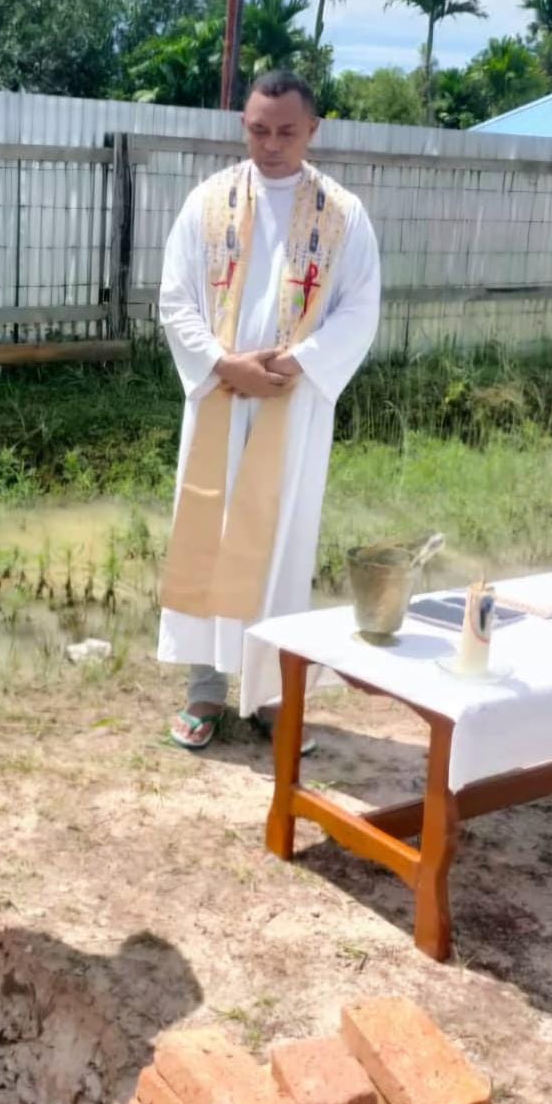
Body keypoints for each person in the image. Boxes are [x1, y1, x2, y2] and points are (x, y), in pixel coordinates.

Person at [157, 69, 381, 752]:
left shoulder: (343, 215)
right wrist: (225, 365)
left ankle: (274, 695)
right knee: (211, 536)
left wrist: (300, 362)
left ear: (313, 129)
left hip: (293, 404)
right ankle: (205, 691)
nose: (272, 143)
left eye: (287, 130)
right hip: (221, 398)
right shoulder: (208, 203)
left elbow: (361, 307)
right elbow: (174, 300)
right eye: (259, 129)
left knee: (280, 541)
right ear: (243, 125)